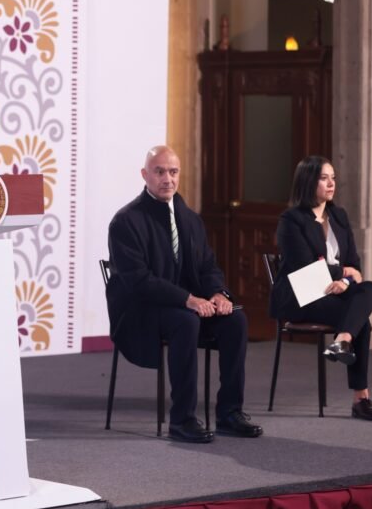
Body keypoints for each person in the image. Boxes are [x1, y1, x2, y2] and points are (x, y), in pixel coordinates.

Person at [106, 146, 263, 443]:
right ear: (145, 175)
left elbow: (207, 265)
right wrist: (188, 300)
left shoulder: (189, 218)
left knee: (235, 321)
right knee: (186, 321)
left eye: (173, 172)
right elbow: (139, 281)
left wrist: (218, 293)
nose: (168, 179)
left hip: (185, 306)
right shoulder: (126, 221)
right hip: (141, 311)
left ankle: (230, 412)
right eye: (159, 172)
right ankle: (182, 419)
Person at [270, 155, 372, 421]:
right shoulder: (291, 220)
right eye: (324, 178)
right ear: (309, 181)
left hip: (334, 289)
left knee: (370, 287)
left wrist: (345, 282)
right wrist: (343, 274)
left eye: (333, 178)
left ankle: (342, 340)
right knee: (362, 321)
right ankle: (360, 398)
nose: (331, 184)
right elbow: (304, 265)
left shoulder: (339, 216)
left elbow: (355, 264)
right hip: (301, 295)